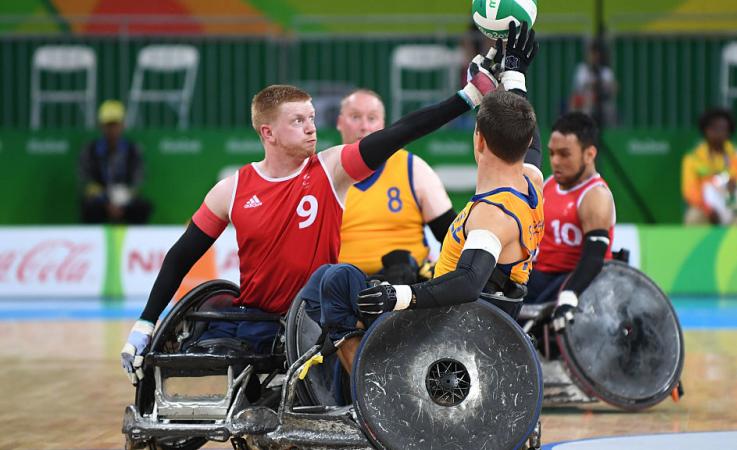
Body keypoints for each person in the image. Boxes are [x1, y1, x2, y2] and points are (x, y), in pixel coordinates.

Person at [120, 49, 503, 385]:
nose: (311, 128)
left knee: (335, 275)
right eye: (299, 121)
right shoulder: (232, 189)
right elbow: (180, 256)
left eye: (312, 118)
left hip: (315, 318)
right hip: (258, 319)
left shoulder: (331, 168)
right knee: (201, 322)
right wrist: (145, 323)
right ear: (267, 132)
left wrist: (468, 96)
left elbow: (401, 132)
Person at [299, 22, 544, 374]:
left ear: (478, 141)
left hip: (445, 330)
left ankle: (362, 388)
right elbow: (526, 136)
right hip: (472, 321)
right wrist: (514, 75)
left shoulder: (492, 214)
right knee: (336, 280)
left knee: (335, 281)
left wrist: (400, 295)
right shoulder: (530, 181)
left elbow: (468, 280)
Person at [335, 89, 455, 281]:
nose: (364, 126)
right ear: (340, 123)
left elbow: (452, 237)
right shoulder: (325, 173)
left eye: (372, 118)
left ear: (383, 125)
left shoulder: (413, 168)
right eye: (355, 117)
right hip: (342, 286)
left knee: (400, 269)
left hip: (405, 287)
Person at [523, 111, 616, 332]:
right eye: (552, 153)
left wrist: (569, 296)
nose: (555, 161)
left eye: (565, 154)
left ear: (589, 154)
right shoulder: (548, 184)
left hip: (575, 281)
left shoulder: (596, 196)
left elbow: (594, 258)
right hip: (539, 278)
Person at [79, 100, 152, 224]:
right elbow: (86, 179)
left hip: (125, 198)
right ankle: (92, 241)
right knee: (88, 207)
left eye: (115, 124)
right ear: (101, 126)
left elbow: (138, 179)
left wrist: (122, 198)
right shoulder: (90, 150)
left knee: (143, 207)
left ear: (122, 125)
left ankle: (137, 241)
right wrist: (106, 201)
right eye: (108, 124)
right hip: (100, 200)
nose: (112, 129)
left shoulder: (132, 150)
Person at [682, 108, 737, 225]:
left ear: (729, 131)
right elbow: (690, 189)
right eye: (713, 128)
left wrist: (734, 185)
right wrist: (708, 209)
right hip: (705, 207)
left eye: (723, 129)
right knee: (693, 217)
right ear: (705, 130)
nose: (718, 133)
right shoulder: (693, 156)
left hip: (733, 202)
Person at [569, 39, 618, 127]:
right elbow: (578, 88)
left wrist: (604, 87)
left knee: (609, 110)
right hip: (584, 102)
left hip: (603, 102)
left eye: (596, 54)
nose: (593, 57)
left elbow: (614, 88)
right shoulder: (582, 69)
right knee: (582, 106)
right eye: (591, 54)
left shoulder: (605, 71)